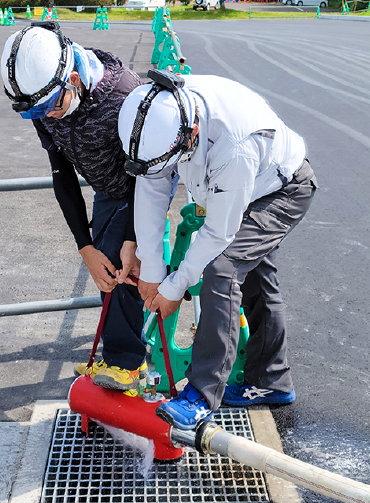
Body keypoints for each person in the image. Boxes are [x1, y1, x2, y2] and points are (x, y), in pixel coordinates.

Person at [118, 70, 317, 429]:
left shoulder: (234, 145)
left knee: (222, 269)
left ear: (191, 133)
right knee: (256, 280)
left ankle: (201, 395)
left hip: (282, 189)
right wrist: (151, 270)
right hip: (250, 184)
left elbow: (217, 234)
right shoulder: (156, 115)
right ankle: (272, 381)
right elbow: (152, 188)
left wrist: (174, 287)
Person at [0, 22, 147, 392]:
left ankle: (127, 363)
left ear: (74, 79)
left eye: (52, 107)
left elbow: (149, 179)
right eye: (36, 113)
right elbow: (61, 172)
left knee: (116, 265)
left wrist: (133, 237)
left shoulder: (124, 96)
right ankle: (122, 353)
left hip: (141, 188)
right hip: (104, 188)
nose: (47, 117)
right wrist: (84, 245)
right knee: (102, 264)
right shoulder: (42, 96)